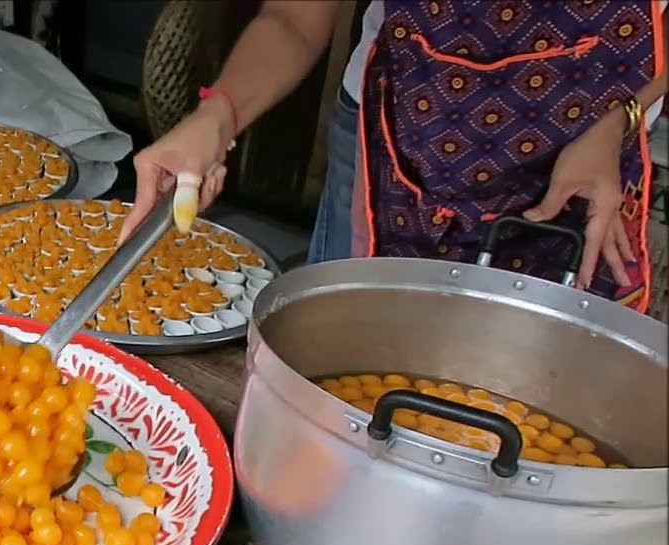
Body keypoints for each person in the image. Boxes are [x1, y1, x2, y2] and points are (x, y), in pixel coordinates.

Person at [121, 0, 667, 312]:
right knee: (344, 356)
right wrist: (220, 114)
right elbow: (293, 17)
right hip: (398, 150)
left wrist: (622, 118)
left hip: (588, 163)